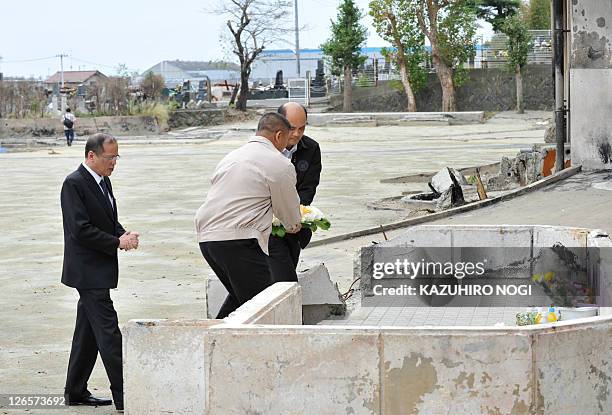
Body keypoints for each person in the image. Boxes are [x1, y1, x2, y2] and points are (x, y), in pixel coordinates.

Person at [60, 133, 139, 411]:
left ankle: (75, 391)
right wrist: (117, 242)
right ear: (91, 156)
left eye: (117, 157)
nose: (114, 163)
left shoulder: (104, 180)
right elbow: (80, 229)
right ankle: (125, 396)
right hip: (87, 271)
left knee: (88, 332)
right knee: (108, 332)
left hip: (99, 268)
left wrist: (122, 232)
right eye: (110, 158)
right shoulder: (74, 183)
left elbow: (107, 219)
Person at [196, 112, 302, 318]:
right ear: (279, 136)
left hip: (208, 239)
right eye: (287, 140)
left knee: (241, 298)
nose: (286, 147)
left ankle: (210, 342)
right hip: (239, 240)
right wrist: (294, 225)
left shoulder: (232, 156)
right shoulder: (278, 163)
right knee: (263, 306)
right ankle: (214, 345)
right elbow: (288, 210)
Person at [267, 102, 322, 282]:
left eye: (302, 128)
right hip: (265, 226)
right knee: (282, 280)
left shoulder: (311, 148)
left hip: (295, 225)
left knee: (288, 265)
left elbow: (309, 187)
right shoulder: (263, 149)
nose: (297, 134)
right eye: (292, 128)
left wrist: (293, 213)